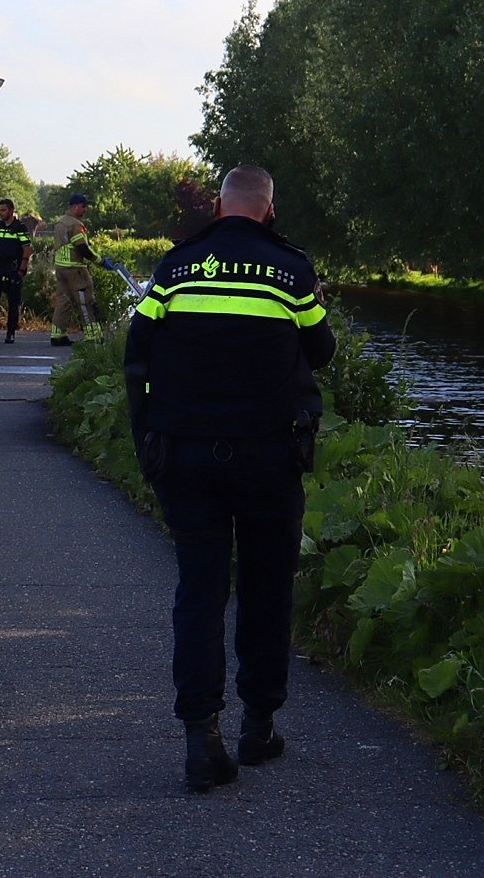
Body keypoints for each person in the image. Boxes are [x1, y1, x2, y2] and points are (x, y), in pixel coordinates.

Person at [123, 165, 335, 792]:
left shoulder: (175, 266)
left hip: (184, 454)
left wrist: (146, 442)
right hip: (268, 457)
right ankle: (258, 726)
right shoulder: (290, 269)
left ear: (219, 207)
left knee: (199, 590)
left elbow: (137, 355)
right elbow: (321, 351)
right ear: (268, 210)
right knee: (267, 588)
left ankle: (201, 738)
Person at [49, 193, 100, 346]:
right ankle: (93, 336)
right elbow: (82, 247)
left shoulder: (60, 222)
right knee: (86, 301)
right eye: (84, 206)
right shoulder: (75, 224)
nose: (86, 210)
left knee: (63, 302)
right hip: (75, 269)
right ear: (75, 206)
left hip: (60, 268)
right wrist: (99, 260)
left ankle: (57, 335)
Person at [0, 197, 31, 344]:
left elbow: (26, 248)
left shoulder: (20, 227)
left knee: (13, 302)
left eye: (3, 210)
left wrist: (22, 269)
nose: (1, 213)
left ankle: (10, 333)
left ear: (11, 210)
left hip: (13, 267)